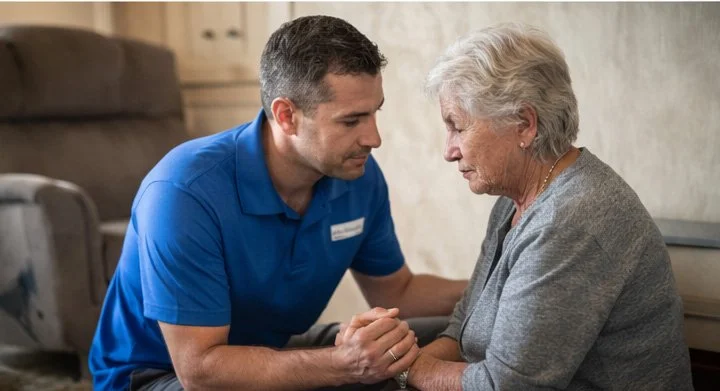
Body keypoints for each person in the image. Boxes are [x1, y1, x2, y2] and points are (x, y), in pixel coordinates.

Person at [88, 15, 466, 391]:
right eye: (352, 121)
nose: (374, 138)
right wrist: (343, 364)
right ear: (287, 116)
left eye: (374, 112)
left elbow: (396, 292)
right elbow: (200, 371)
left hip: (269, 350)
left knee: (454, 340)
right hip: (159, 375)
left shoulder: (358, 177)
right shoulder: (184, 192)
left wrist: (498, 284)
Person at [380, 23, 692, 390]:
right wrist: (402, 372)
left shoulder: (572, 222)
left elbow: (509, 386)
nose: (449, 151)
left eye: (458, 127)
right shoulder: (514, 201)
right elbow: (464, 327)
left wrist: (404, 368)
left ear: (525, 124)